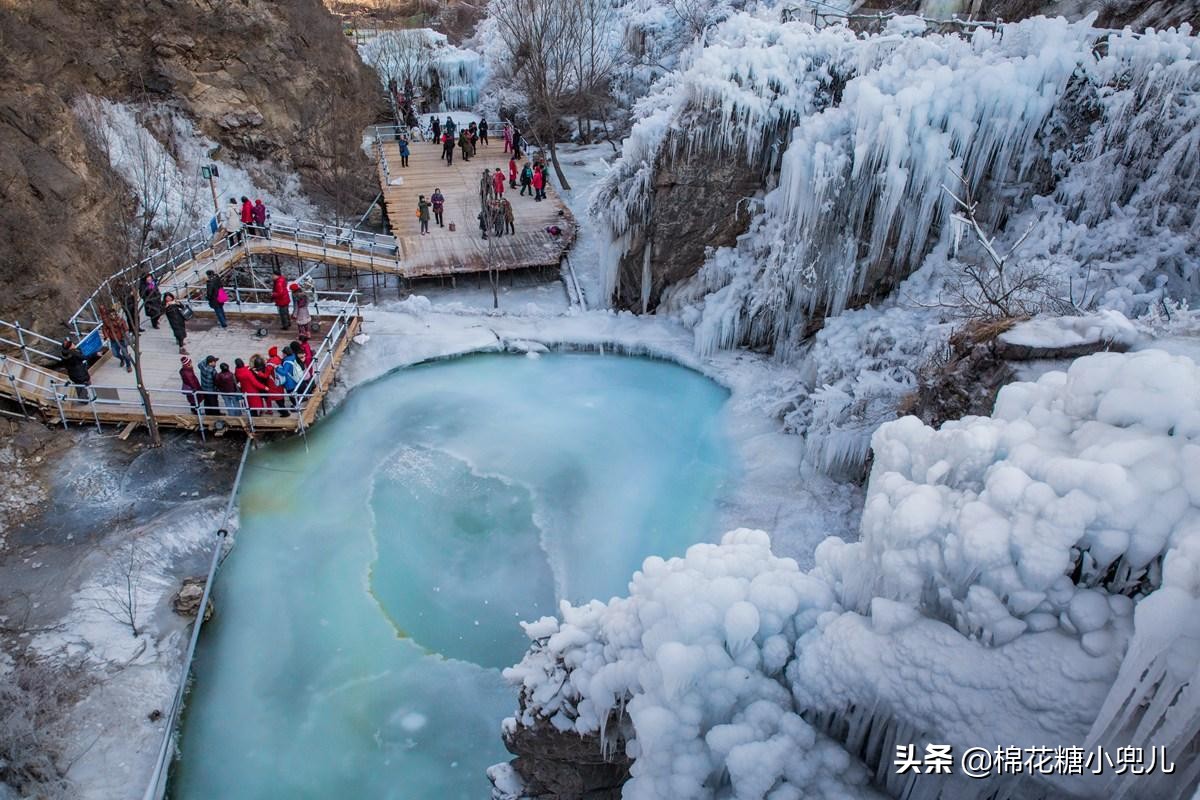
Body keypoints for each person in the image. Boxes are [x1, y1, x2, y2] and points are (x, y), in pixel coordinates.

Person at [100, 304, 133, 373]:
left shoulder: (120, 320)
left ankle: (128, 365)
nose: (112, 316)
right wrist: (106, 336)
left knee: (125, 353)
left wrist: (127, 336)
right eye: (111, 315)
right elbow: (104, 329)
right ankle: (122, 359)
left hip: (121, 339)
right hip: (113, 340)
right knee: (115, 353)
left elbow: (126, 328)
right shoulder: (108, 322)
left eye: (113, 315)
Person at [255, 352, 288, 417]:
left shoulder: (269, 365)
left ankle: (285, 413)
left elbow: (265, 376)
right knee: (281, 396)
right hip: (278, 382)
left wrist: (258, 373)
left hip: (273, 384)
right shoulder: (277, 359)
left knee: (277, 399)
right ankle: (282, 410)